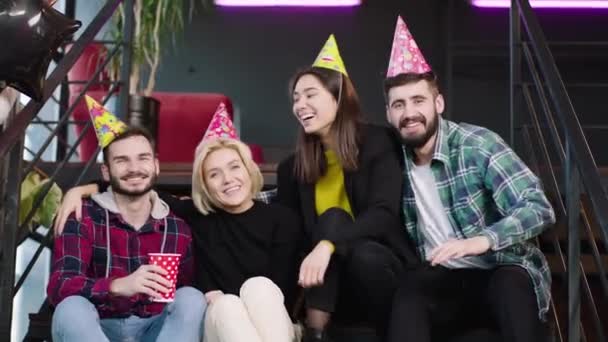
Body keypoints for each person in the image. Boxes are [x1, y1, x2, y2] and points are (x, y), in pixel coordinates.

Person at [53, 103, 303, 342]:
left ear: (249, 169)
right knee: (224, 304)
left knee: (252, 289)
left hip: (266, 320)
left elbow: (283, 293)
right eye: (214, 174)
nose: (228, 179)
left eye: (234, 167)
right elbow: (136, 186)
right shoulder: (194, 217)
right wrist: (86, 190)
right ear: (205, 184)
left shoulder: (281, 220)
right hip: (211, 319)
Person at [383, 17, 556, 342]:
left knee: (511, 287)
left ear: (438, 103)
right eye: (399, 104)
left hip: (499, 267)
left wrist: (483, 240)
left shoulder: (478, 145)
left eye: (418, 100)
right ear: (389, 114)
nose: (409, 112)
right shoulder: (391, 158)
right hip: (445, 279)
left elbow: (538, 207)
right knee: (410, 293)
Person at [277, 34, 416, 342]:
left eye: (310, 94)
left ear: (338, 97)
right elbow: (288, 232)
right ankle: (316, 333)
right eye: (296, 98)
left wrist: (327, 245)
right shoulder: (292, 168)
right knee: (333, 218)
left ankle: (321, 331)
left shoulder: (378, 142)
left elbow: (383, 214)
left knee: (348, 236)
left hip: (380, 271)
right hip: (325, 283)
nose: (300, 105)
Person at [48, 96, 205, 342]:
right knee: (71, 308)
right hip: (97, 327)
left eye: (142, 158)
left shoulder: (177, 228)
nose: (134, 168)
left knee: (191, 298)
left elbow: (181, 299)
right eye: (122, 160)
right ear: (106, 172)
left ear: (155, 166)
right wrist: (117, 285)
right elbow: (60, 285)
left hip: (154, 329)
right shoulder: (83, 216)